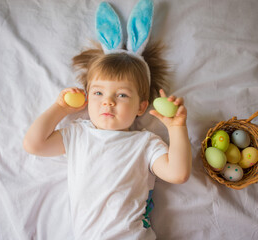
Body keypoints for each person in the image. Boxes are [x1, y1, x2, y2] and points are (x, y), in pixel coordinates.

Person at [23, 0, 192, 239]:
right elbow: (34, 144)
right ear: (87, 96)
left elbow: (178, 173)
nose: (108, 102)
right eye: (98, 93)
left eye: (121, 95)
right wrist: (60, 108)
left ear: (141, 107)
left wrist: (177, 128)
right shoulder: (77, 134)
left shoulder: (145, 144)